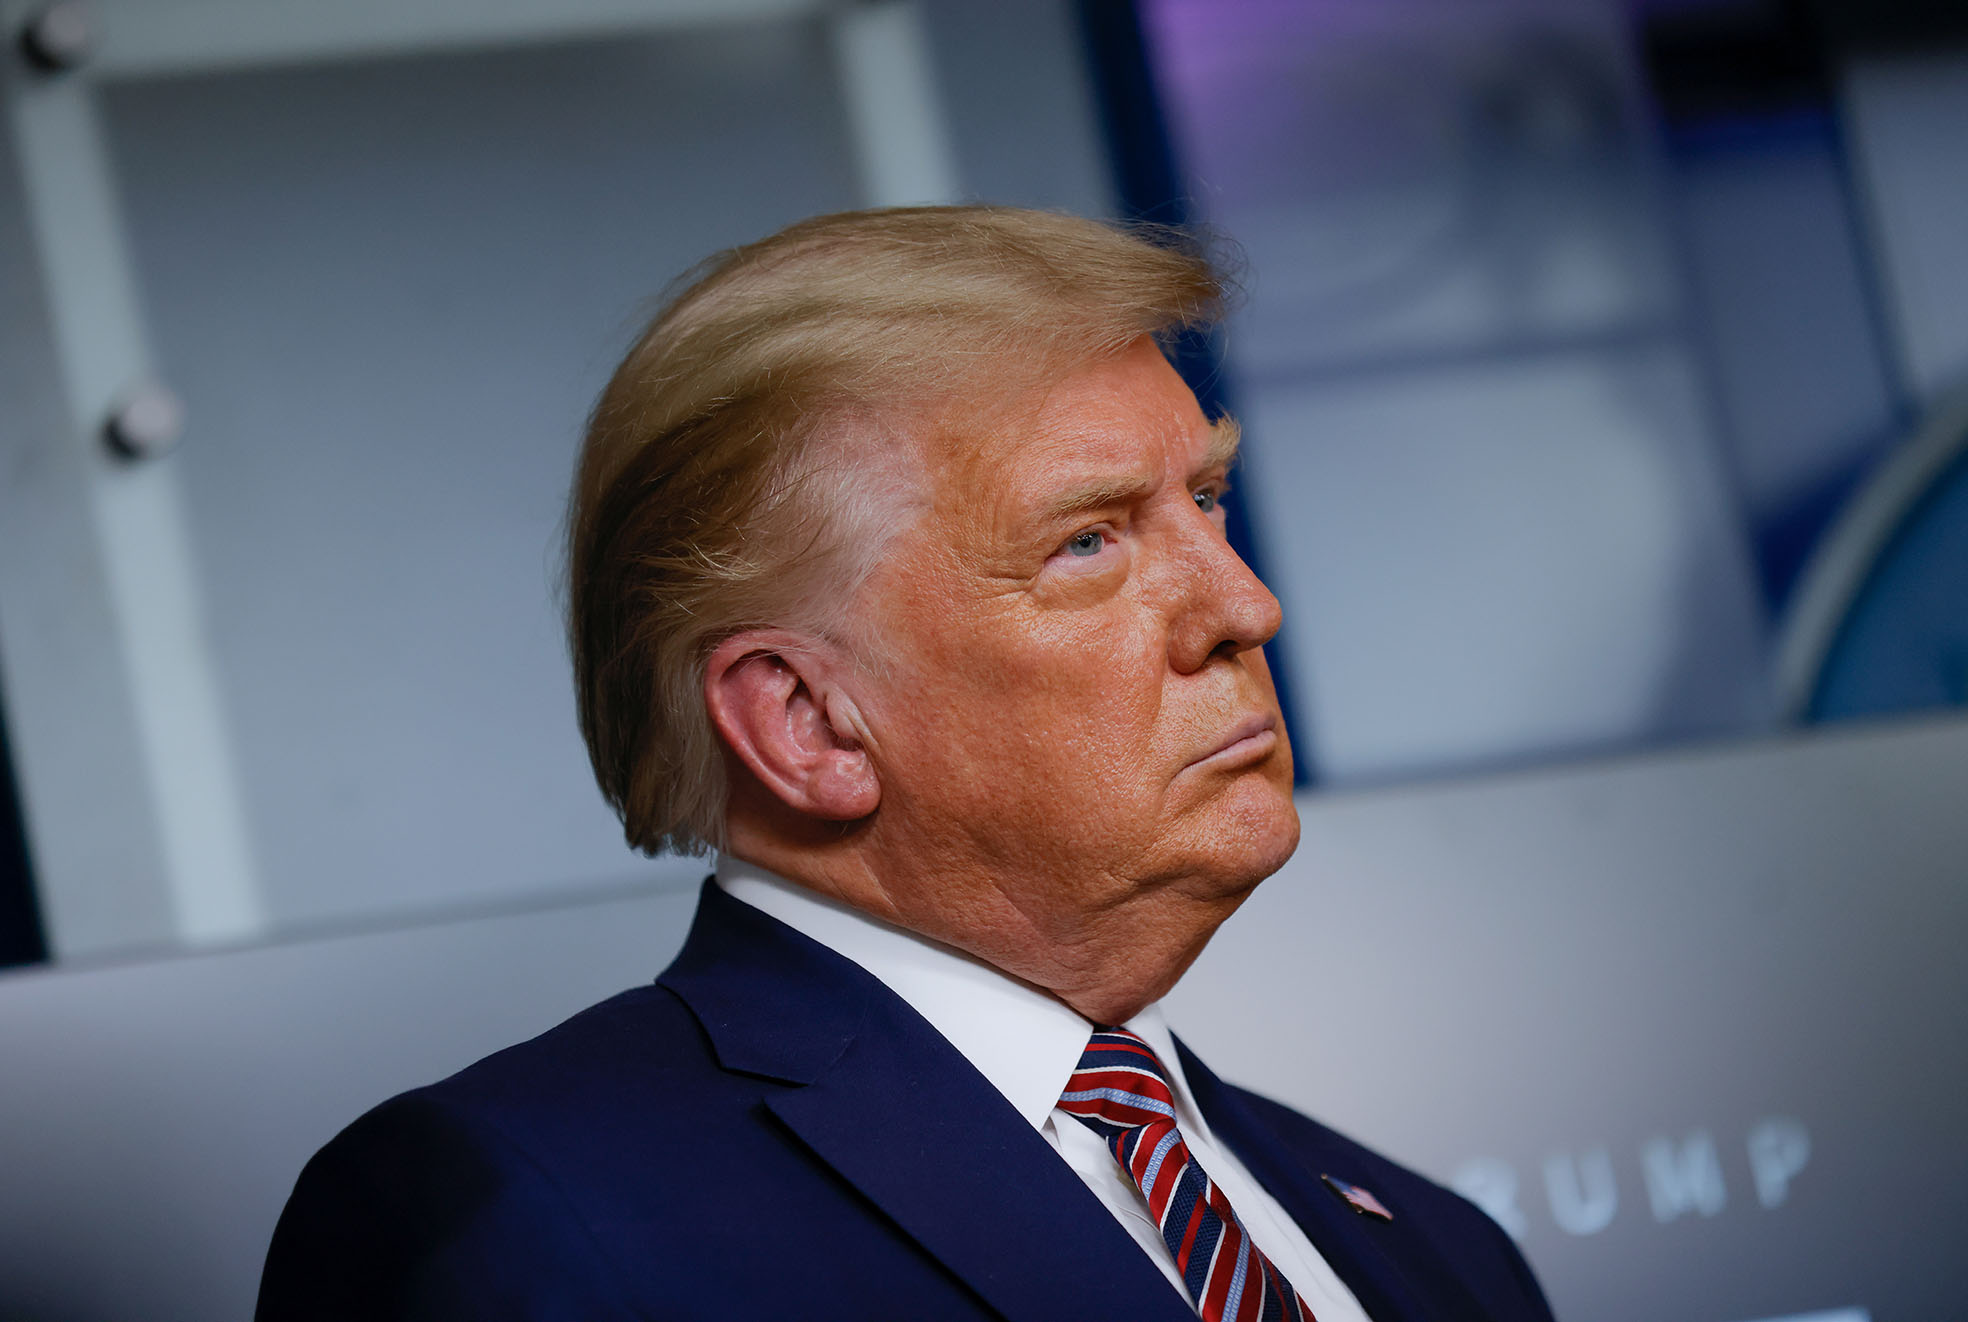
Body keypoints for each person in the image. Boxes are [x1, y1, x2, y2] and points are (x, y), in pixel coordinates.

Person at [257, 207, 1555, 1322]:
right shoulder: (524, 1221)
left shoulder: (1435, 1248)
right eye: (1089, 542)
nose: (1244, 603)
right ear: (807, 724)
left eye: (1206, 501)